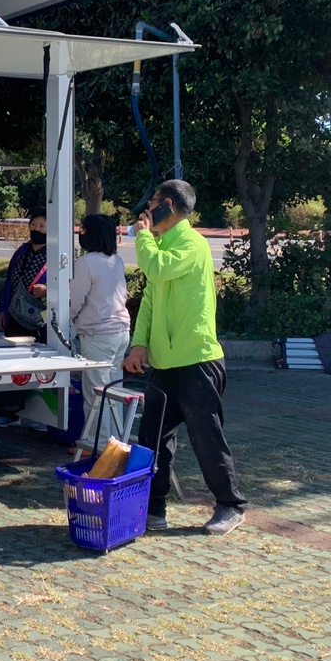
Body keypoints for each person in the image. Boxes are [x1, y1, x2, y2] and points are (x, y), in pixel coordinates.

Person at [121, 180, 246, 536]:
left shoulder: (192, 244)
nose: (147, 211)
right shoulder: (160, 247)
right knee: (153, 440)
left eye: (152, 203)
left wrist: (142, 236)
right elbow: (150, 299)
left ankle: (231, 505)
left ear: (169, 205)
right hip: (164, 364)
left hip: (197, 361)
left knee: (206, 437)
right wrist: (139, 344)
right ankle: (153, 509)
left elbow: (157, 269)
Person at [70, 214, 131, 456]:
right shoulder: (116, 260)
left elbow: (75, 300)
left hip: (97, 334)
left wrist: (65, 318)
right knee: (114, 392)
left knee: (96, 394)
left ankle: (98, 446)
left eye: (83, 229)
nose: (80, 233)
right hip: (120, 331)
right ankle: (115, 443)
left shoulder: (86, 262)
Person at [0, 208, 48, 342]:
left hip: (40, 318)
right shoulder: (22, 251)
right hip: (15, 315)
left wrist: (47, 290)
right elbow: (9, 283)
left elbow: (67, 285)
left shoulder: (54, 254)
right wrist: (3, 310)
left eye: (42, 226)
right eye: (33, 224)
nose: (36, 229)